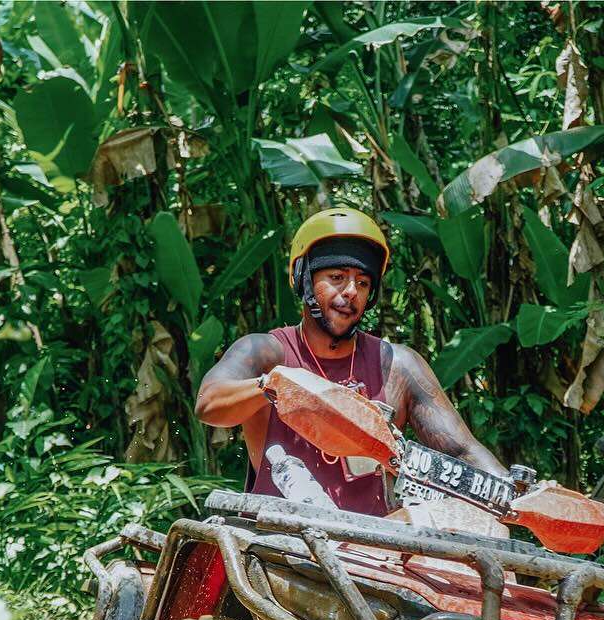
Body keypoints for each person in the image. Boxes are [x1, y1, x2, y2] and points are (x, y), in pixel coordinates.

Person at [196, 207, 505, 516]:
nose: (350, 292)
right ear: (304, 279)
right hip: (276, 547)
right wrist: (275, 384)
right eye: (337, 277)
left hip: (373, 553)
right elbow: (208, 404)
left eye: (362, 283)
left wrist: (517, 494)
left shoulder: (397, 365)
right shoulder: (266, 351)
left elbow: (462, 451)